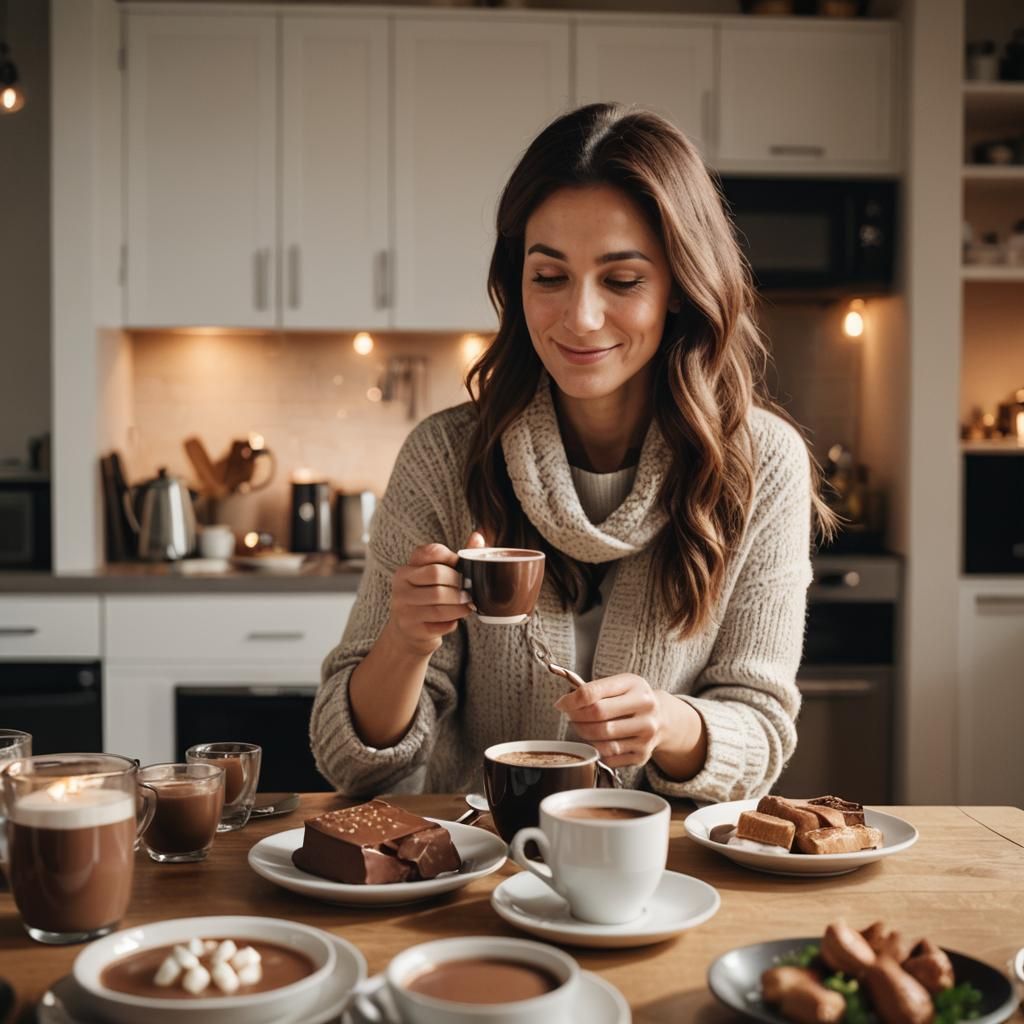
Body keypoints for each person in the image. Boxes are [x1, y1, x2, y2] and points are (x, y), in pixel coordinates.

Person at [311, 103, 833, 802]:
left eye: (622, 280)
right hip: (482, 867)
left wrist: (669, 724)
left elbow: (762, 728)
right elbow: (351, 764)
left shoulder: (760, 463)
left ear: (679, 285)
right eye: (549, 277)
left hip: (660, 868)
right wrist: (405, 641)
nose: (580, 318)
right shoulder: (444, 456)